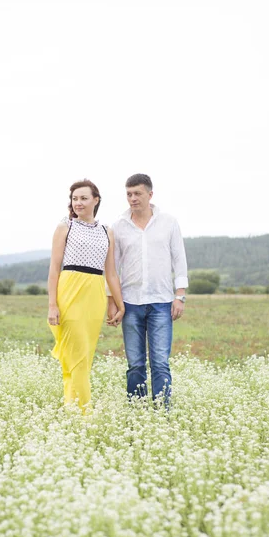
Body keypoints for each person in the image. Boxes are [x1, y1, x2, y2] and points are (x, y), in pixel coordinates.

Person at [107, 173, 188, 407]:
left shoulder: (169, 222)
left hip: (162, 302)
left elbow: (179, 260)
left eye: (137, 194)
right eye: (129, 194)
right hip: (130, 303)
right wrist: (112, 301)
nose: (132, 198)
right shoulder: (118, 226)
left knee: (160, 362)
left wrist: (179, 295)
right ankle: (137, 412)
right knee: (135, 364)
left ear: (150, 195)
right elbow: (112, 268)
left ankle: (162, 412)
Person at [48, 179, 125, 413]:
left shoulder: (106, 231)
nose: (78, 203)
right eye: (74, 199)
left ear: (96, 200)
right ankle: (86, 414)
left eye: (83, 198)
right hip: (70, 291)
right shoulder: (65, 227)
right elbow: (54, 268)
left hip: (95, 294)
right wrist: (52, 304)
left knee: (85, 356)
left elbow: (110, 273)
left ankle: (71, 408)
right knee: (77, 354)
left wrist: (119, 305)